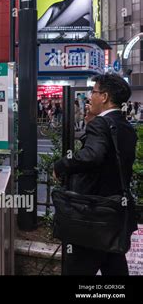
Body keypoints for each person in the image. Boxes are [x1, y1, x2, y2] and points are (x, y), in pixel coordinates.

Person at [53, 74, 138, 275]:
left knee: (77, 268)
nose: (90, 96)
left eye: (94, 92)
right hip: (115, 211)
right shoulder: (126, 127)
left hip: (92, 214)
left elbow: (93, 156)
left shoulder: (101, 124)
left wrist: (62, 165)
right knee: (114, 267)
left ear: (105, 96)